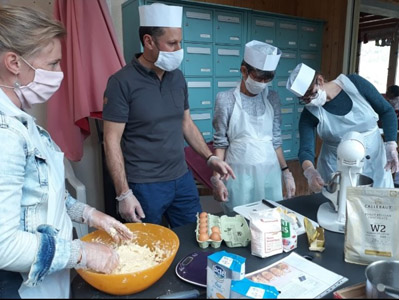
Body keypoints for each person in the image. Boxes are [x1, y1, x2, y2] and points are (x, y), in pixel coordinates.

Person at [0, 5, 133, 298]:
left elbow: (47, 196)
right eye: (53, 64)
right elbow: (3, 246)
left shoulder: (24, 122)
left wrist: (92, 215)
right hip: (22, 288)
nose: (60, 74)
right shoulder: (5, 136)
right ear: (13, 62)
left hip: (51, 280)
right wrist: (82, 252)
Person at [102, 3, 235, 228]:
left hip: (181, 178)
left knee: (195, 235)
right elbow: (111, 140)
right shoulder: (121, 83)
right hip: (144, 185)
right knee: (149, 247)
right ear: (148, 41)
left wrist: (210, 157)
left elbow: (186, 123)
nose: (179, 50)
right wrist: (123, 193)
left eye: (179, 42)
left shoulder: (177, 78)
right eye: (172, 43)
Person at [211, 40, 296, 215]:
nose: (263, 83)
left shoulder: (272, 98)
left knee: (270, 219)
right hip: (238, 174)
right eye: (259, 78)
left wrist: (286, 172)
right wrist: (216, 178)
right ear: (244, 71)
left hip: (270, 173)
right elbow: (220, 143)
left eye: (268, 78)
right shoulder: (225, 99)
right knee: (240, 220)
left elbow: (276, 140)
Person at [286, 63, 398, 192]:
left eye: (311, 94)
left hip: (374, 157)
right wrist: (310, 171)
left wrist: (391, 143)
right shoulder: (310, 113)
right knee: (338, 204)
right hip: (335, 166)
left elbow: (387, 111)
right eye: (304, 99)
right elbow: (306, 149)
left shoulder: (355, 84)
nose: (310, 101)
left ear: (320, 80)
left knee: (378, 202)